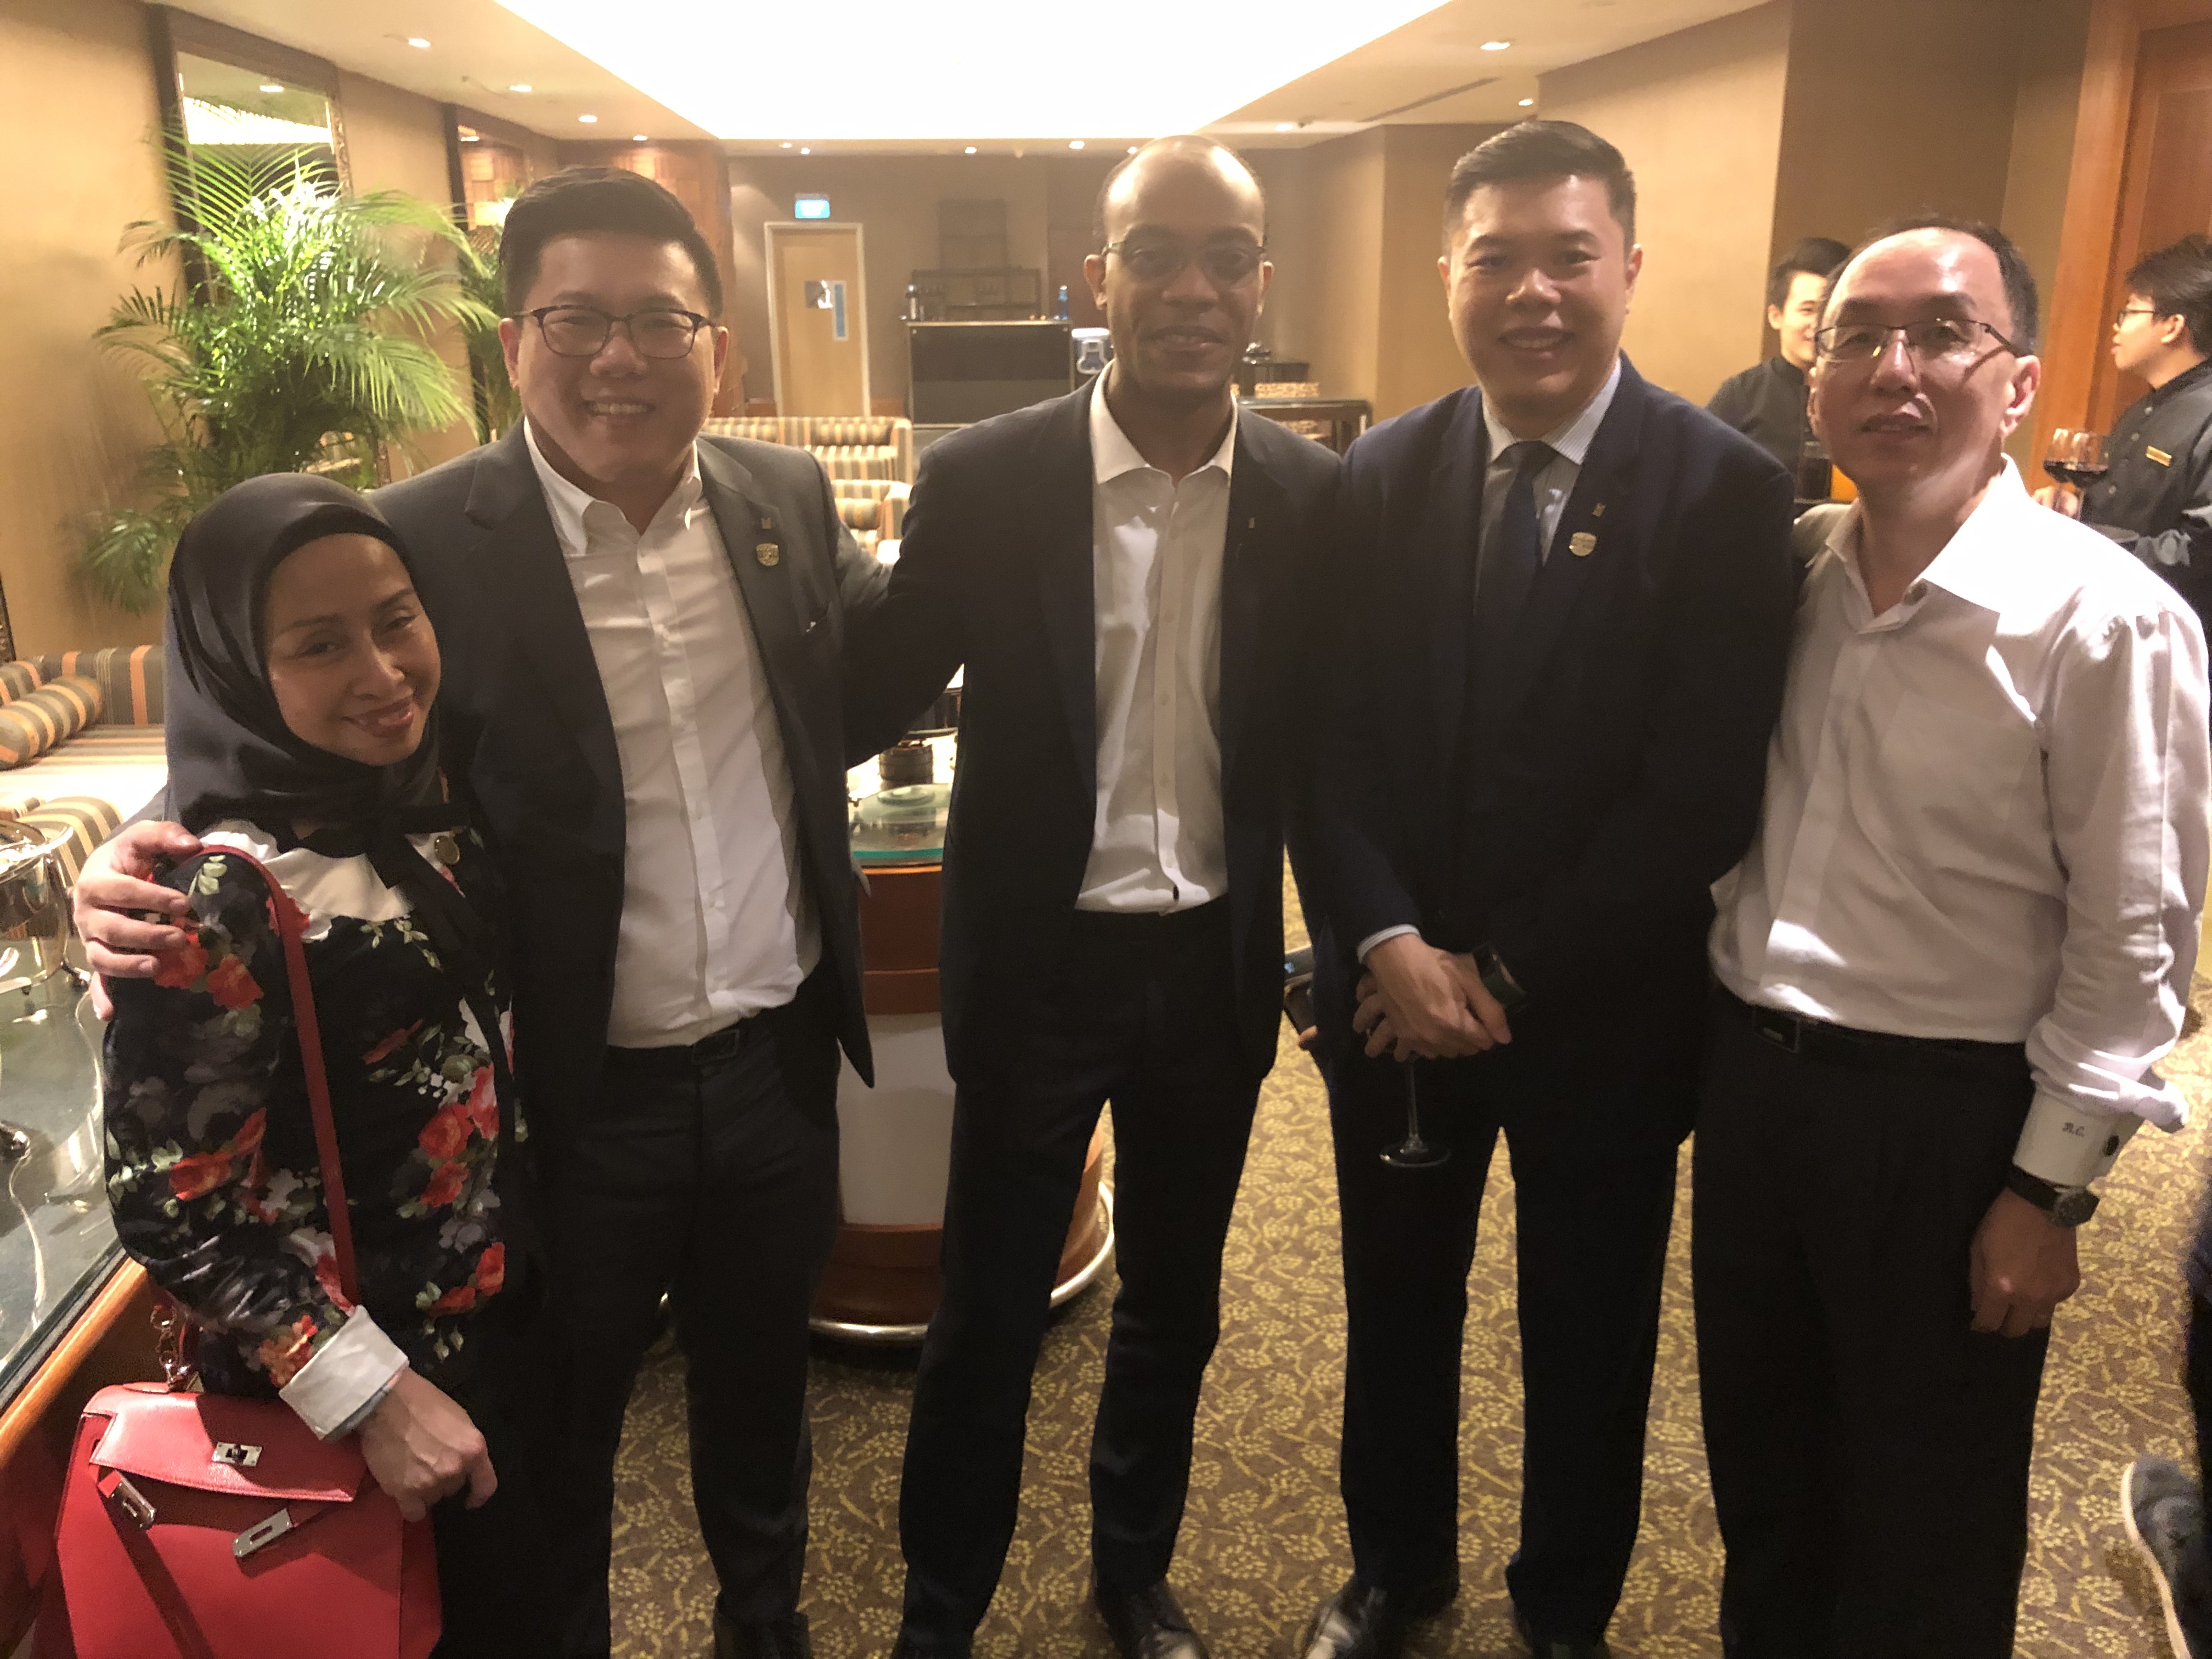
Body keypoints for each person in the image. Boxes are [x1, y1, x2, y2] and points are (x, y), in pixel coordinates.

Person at [75, 168, 889, 1659]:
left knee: (763, 1401)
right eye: (577, 319)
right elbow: (274, 732)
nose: (620, 356)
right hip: (571, 1106)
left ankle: (764, 1626)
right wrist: (131, 861)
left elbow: (864, 674)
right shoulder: (418, 543)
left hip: (774, 1070)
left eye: (661, 321)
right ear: (512, 343)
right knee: (557, 1449)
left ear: (717, 347)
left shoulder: (784, 497)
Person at [1299, 121, 1797, 1659]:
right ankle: (1397, 1573)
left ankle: (1565, 1604)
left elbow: (1699, 792)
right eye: (1496, 259)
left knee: (1590, 1326)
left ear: (1629, 268)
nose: (1534, 292)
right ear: (1449, 275)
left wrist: (1501, 974)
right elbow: (1328, 738)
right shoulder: (1379, 474)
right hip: (1392, 1003)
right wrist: (1388, 940)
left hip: (1605, 1010)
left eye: (1569, 257)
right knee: (1397, 1304)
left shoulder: (1725, 488)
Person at [842, 136, 1338, 1659]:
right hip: (1037, 970)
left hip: (1212, 971)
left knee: (1175, 1302)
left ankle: (1133, 1572)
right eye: (1157, 256)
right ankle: (942, 1610)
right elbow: (866, 688)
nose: (1192, 290)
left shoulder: (1314, 497)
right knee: (987, 1312)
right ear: (1099, 279)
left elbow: (1341, 745)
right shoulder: (991, 479)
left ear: (1260, 285)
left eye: (1226, 260)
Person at [1700, 218, 2210, 1657]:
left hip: (1948, 1127)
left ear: (2021, 381)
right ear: (1815, 381)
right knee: (1769, 1488)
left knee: (1927, 1524)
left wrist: (2050, 1193)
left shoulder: (2104, 621)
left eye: (1942, 334)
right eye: (1857, 336)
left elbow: (2135, 944)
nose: (1894, 368)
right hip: (1756, 1101)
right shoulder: (1792, 576)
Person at [102, 474, 550, 1655]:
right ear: (236, 668)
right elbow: (170, 1204)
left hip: (499, 1334)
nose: (383, 670)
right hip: (360, 1398)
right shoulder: (217, 894)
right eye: (319, 644)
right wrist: (372, 1394)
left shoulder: (425, 792)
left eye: (396, 620)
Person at [2039, 233, 2212, 630]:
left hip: (2175, 634)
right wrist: (2074, 512)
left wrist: (2090, 545)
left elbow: (2202, 549)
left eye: (2130, 313)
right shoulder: (2146, 407)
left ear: (2172, 326)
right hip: (2118, 619)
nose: (2116, 328)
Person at [1707, 235, 1852, 471]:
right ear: (1776, 316)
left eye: (1832, 310)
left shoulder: (1862, 392)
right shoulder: (1742, 394)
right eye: (1808, 310)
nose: (1820, 324)